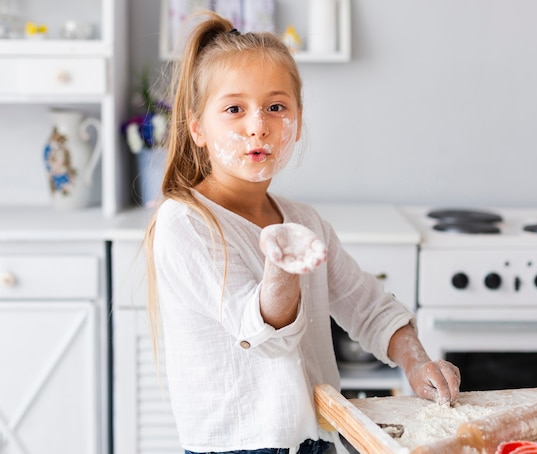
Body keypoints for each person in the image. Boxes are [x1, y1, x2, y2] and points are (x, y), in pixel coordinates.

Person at [143, 11, 461, 454]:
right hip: (239, 446)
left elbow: (369, 308)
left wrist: (416, 360)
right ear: (197, 127)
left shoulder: (303, 221)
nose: (258, 125)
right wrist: (282, 267)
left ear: (298, 118)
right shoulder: (187, 223)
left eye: (276, 107)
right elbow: (262, 335)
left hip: (317, 438)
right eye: (234, 109)